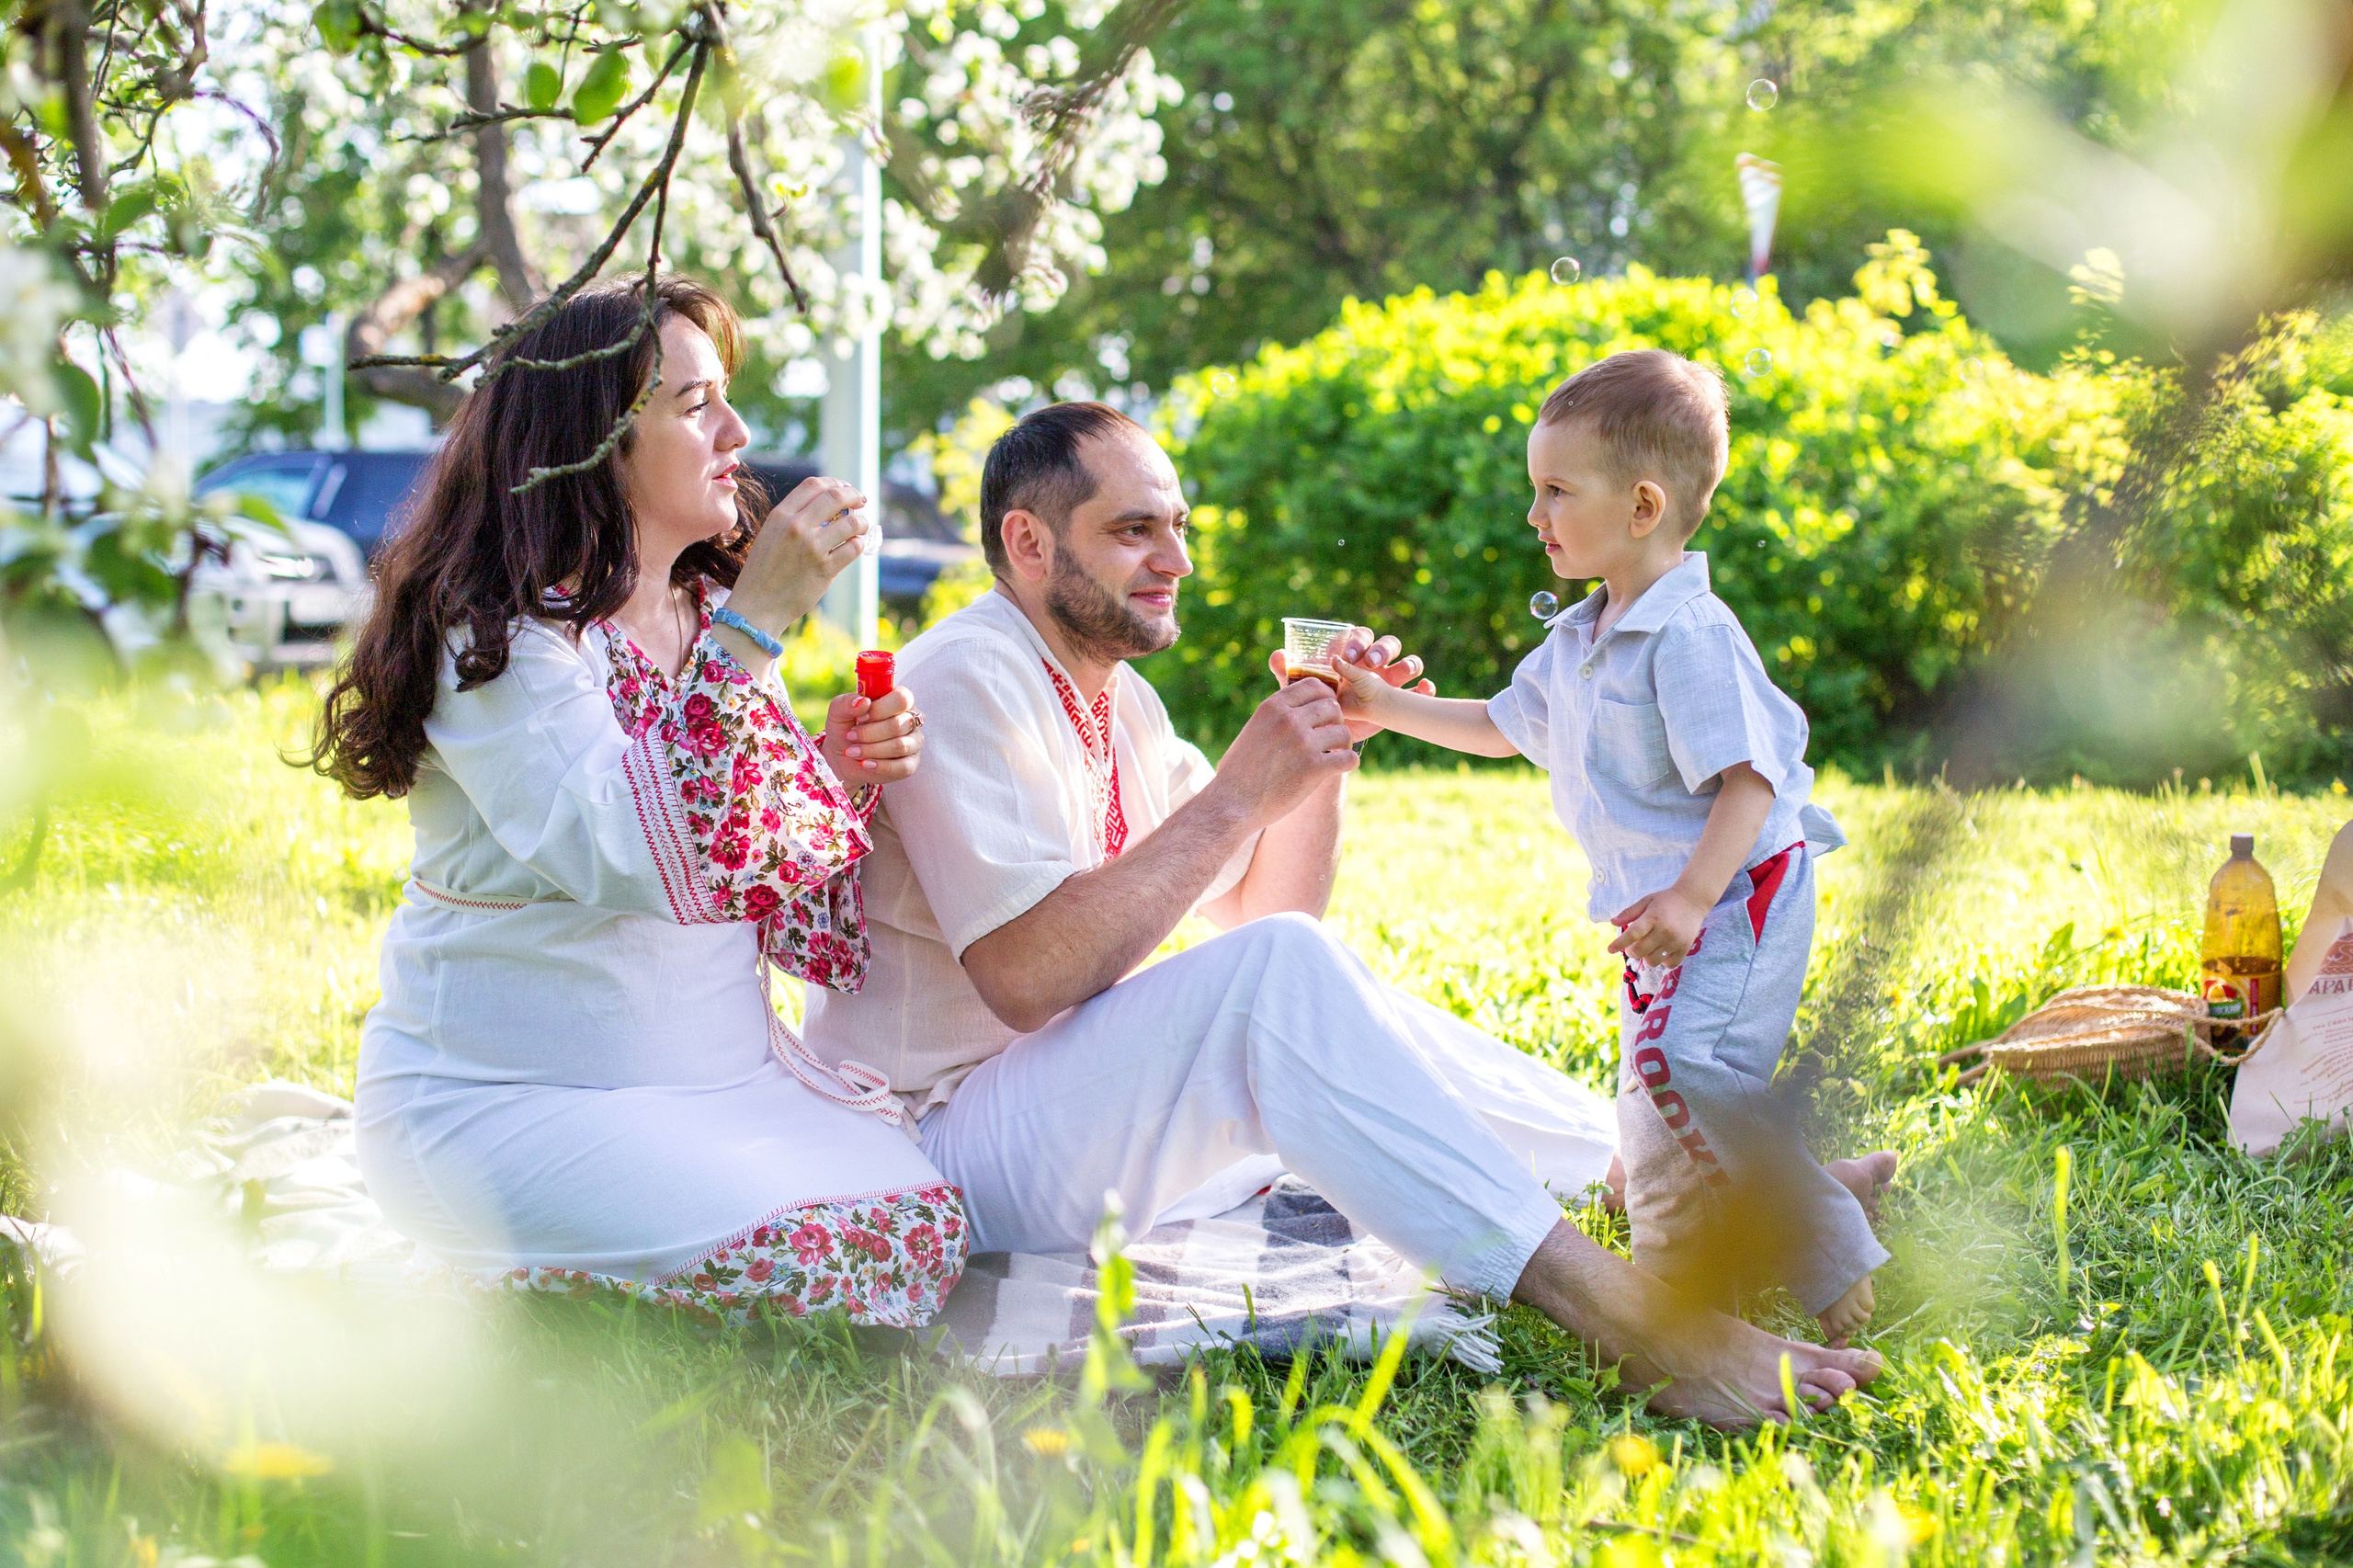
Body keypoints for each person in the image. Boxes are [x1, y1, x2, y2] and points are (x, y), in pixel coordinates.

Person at [801, 399, 1882, 1424]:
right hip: (935, 1145)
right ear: (1029, 544)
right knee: (1275, 986)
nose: (1176, 560)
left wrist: (1322, 761)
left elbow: (1272, 914)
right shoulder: (961, 679)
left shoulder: (1117, 698)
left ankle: (1677, 1174)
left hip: (1046, 1114)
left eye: (1176, 527)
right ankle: (1636, 1320)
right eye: (1134, 531)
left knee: (1323, 988)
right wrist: (1238, 791)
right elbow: (1027, 979)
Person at [312, 275, 965, 1326]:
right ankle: (461, 1273)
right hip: (512, 1103)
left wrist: (830, 771)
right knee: (833, 1257)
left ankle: (542, 1270)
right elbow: (632, 848)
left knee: (922, 1217)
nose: (738, 433)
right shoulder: (500, 637)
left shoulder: (696, 608)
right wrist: (755, 631)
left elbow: (738, 852)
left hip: (715, 1087)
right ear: (594, 440)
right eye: (697, 404)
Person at [1334, 349, 1895, 1346]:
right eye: (1533, 489)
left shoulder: (1690, 634)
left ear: (1642, 507)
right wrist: (1384, 707)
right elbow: (1506, 724)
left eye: (1556, 490)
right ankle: (1691, 1262)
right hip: (1666, 908)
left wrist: (1688, 896)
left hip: (1736, 892)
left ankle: (1827, 1232)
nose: (1534, 513)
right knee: (1647, 1102)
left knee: (1685, 1069)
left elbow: (1749, 779)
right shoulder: (1582, 635)